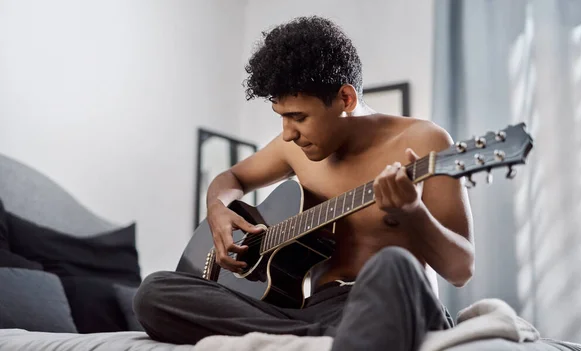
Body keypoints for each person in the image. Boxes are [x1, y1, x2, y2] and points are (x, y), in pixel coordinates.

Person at [133, 16, 474, 351]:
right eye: (282, 117)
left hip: (395, 299)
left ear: (345, 99)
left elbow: (460, 269)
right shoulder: (293, 149)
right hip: (316, 310)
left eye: (298, 117)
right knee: (154, 292)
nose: (287, 133)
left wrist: (413, 212)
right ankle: (327, 339)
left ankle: (322, 338)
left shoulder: (424, 141)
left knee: (393, 263)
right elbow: (230, 178)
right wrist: (217, 208)